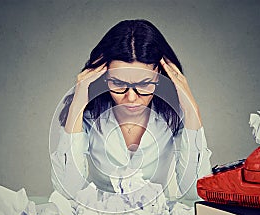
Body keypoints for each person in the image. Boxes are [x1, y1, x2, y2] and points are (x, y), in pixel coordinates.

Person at [50, 19, 212, 203]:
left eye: (144, 84)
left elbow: (195, 193)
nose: (132, 98)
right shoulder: (88, 115)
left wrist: (192, 112)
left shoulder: (174, 114)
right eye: (118, 83)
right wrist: (78, 104)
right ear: (103, 76)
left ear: (160, 76)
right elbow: (67, 191)